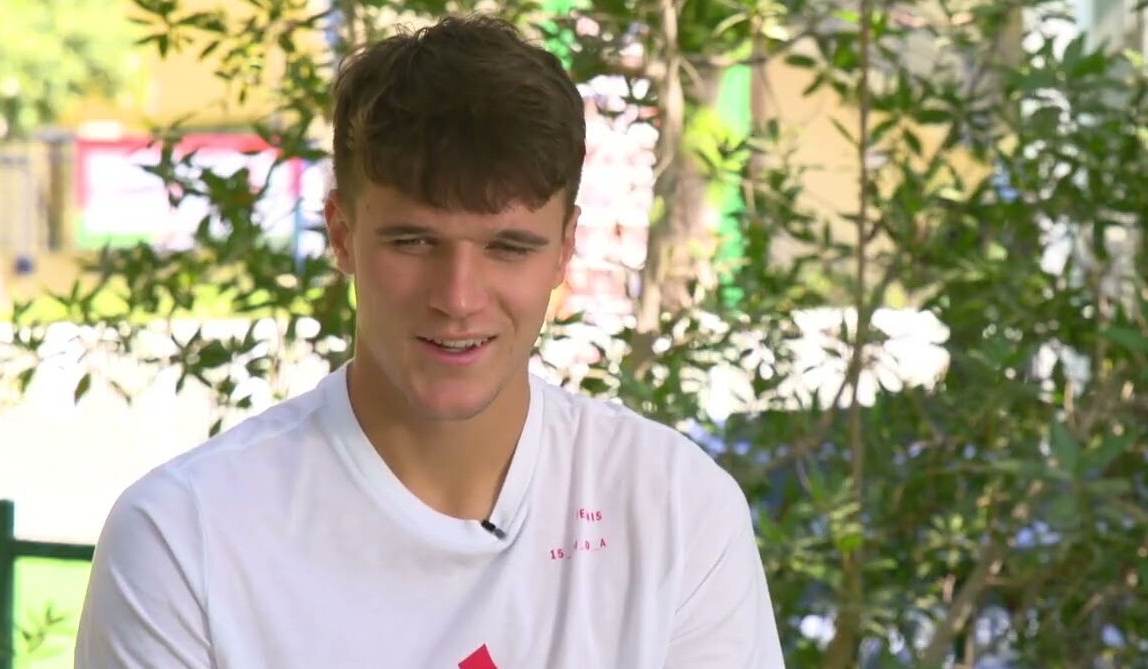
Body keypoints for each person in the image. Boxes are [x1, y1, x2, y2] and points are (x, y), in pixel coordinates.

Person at [75, 14, 784, 668]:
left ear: (565, 249)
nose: (459, 297)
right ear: (343, 234)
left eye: (509, 246)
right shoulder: (183, 540)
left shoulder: (675, 509)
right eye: (414, 241)